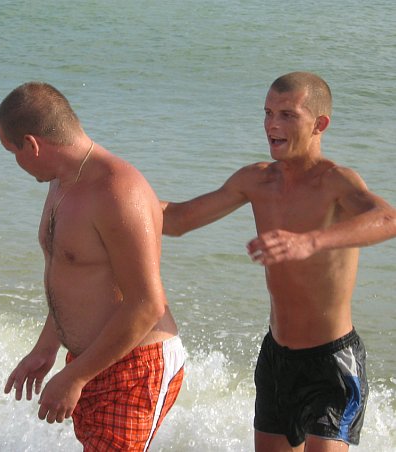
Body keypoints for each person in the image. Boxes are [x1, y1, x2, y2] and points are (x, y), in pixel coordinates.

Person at [162, 72, 396, 451]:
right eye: (268, 113)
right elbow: (177, 219)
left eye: (287, 114)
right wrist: (110, 199)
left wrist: (310, 241)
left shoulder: (336, 182)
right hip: (277, 359)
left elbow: (388, 218)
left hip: (333, 363)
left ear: (319, 124)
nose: (272, 124)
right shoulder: (256, 180)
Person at [0, 82, 185, 451]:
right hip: (92, 360)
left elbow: (147, 304)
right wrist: (46, 349)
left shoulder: (117, 191)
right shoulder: (62, 183)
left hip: (135, 366)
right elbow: (73, 279)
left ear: (32, 145)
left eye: (12, 151)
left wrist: (75, 377)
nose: (15, 162)